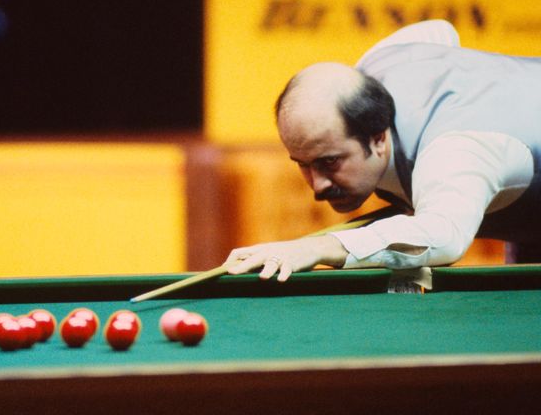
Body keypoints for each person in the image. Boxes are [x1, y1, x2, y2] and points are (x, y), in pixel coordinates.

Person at [225, 20, 541, 282]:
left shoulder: (457, 151)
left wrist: (316, 248)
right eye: (302, 164)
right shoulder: (381, 62)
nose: (318, 184)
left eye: (330, 162)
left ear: (378, 138)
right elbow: (440, 31)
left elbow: (444, 237)